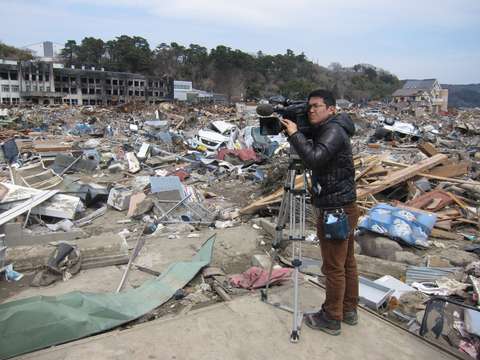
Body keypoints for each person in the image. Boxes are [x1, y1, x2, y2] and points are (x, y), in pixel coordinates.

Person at [280, 89, 359, 336]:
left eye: (317, 106)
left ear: (331, 109)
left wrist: (294, 135)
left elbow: (314, 158)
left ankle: (331, 318)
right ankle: (348, 310)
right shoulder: (333, 127)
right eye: (309, 107)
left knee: (334, 268)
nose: (311, 110)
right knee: (346, 264)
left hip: (335, 209)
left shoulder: (333, 130)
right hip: (343, 205)